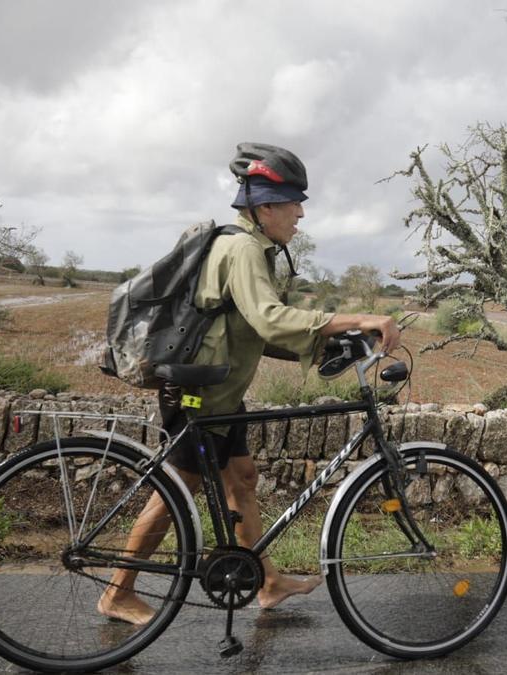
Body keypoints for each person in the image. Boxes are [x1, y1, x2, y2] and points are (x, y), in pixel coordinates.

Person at [99, 143, 400, 624]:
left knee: (242, 479)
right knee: (177, 493)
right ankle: (117, 592)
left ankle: (268, 581)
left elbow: (252, 329)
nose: (301, 213)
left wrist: (324, 344)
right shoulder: (241, 248)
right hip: (201, 396)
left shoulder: (249, 246)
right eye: (293, 203)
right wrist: (358, 318)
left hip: (222, 393)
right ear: (264, 208)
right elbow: (271, 317)